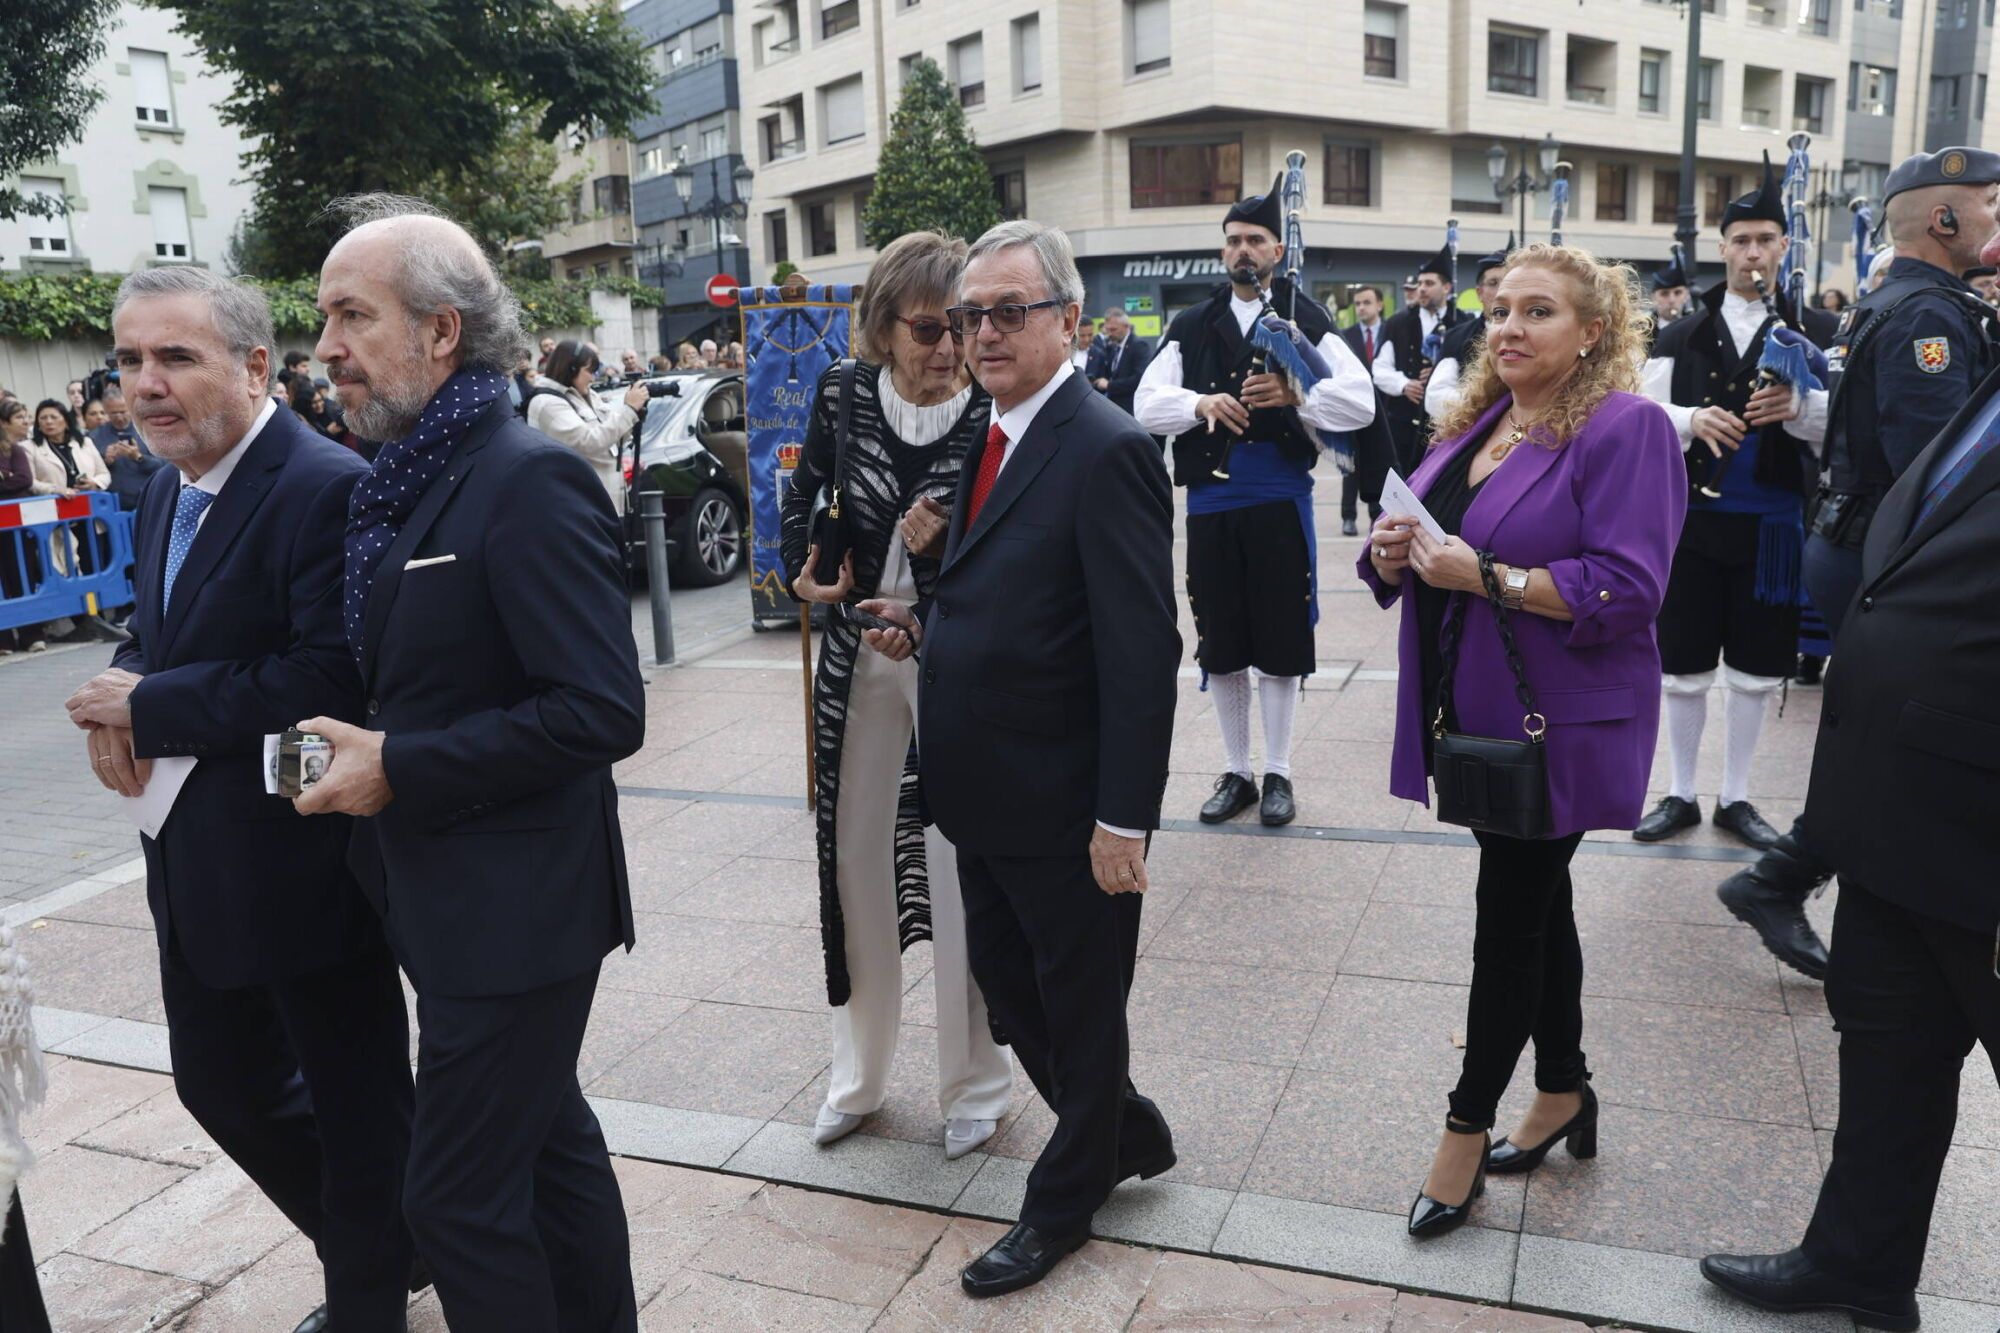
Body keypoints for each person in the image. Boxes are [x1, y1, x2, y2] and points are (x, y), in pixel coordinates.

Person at [300, 193, 642, 1331]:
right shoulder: (402, 477)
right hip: (445, 899)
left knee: (452, 1201)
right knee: (548, 1151)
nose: (327, 348)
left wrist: (402, 763)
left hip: (518, 910)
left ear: (441, 331)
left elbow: (600, 709)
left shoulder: (524, 475)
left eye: (352, 315)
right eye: (324, 318)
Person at [62, 265, 416, 1333]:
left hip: (307, 852)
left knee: (355, 1106)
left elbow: (327, 678)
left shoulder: (325, 484)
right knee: (219, 1084)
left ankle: (369, 1297)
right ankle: (396, 1244)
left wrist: (149, 706)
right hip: (192, 853)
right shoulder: (165, 486)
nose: (145, 383)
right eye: (130, 359)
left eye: (176, 356)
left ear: (255, 365)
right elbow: (158, 634)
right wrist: (125, 689)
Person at [856, 220, 1180, 1297]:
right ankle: (1122, 1128)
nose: (981, 334)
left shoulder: (1106, 447)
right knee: (1010, 988)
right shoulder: (987, 434)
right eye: (969, 316)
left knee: (1079, 1009)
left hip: (1067, 802)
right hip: (980, 791)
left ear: (1069, 321)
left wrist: (1123, 818)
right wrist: (923, 625)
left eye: (1008, 311)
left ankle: (1061, 1202)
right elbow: (1004, 593)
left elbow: (1142, 650)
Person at [1700, 239, 2000, 1330]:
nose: (1990, 248)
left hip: (1982, 826)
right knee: (1887, 1055)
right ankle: (1859, 1265)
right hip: (1897, 807)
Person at [1361, 243, 1686, 1239]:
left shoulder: (1624, 427)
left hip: (1560, 721)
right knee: (1541, 900)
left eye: (1537, 311)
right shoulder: (1483, 419)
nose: (1507, 326)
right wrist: (1392, 551)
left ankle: (1462, 1132)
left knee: (1506, 917)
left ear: (1593, 332)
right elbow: (1425, 540)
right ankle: (1562, 1088)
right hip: (1475, 712)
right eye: (1500, 308)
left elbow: (1629, 586)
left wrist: (1485, 576)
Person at [1715, 147, 2000, 979]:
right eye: (1989, 203)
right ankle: (1791, 881)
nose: (1997, 219)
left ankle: (1784, 877)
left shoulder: (1905, 301)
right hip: (1891, 561)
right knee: (1900, 741)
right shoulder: (1928, 317)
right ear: (1942, 219)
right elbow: (1938, 474)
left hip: (1863, 547)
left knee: (1885, 737)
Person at [778, 231, 1014, 1161]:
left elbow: (1012, 555)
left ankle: (976, 1084)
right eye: (927, 329)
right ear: (882, 327)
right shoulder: (842, 392)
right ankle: (858, 1077)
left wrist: (934, 558)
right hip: (855, 659)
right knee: (852, 863)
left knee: (961, 866)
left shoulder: (992, 408)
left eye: (961, 324)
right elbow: (801, 496)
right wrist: (805, 574)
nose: (950, 347)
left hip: (954, 662)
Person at [1135, 175, 1377, 828]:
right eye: (1234, 240)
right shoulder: (1192, 323)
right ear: (1224, 252)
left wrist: (1301, 394)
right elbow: (1145, 404)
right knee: (1222, 643)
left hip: (1279, 501)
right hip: (1211, 506)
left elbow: (1360, 401)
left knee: (1279, 637)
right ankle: (1236, 770)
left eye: (1255, 240)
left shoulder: (1304, 316)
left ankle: (1278, 771)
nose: (1243, 250)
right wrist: (1199, 403)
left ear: (1277, 251)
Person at [1636, 158, 1838, 849]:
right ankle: (1680, 792)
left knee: (1754, 672)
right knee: (1683, 670)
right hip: (1689, 525)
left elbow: (1839, 432)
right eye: (1742, 241)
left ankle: (1737, 797)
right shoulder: (1677, 334)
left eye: (1765, 241)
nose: (1753, 253)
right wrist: (1691, 419)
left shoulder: (1812, 334)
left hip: (1771, 528)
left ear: (1784, 248)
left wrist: (1801, 408)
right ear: (1722, 248)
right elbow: (1640, 417)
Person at [1375, 248, 1469, 474]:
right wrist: (1404, 384)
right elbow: (1380, 368)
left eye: (1429, 283)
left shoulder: (1464, 323)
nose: (1422, 289)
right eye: (1420, 284)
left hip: (1448, 423)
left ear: (1446, 287)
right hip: (1403, 424)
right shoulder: (1398, 323)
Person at [525, 339, 649, 501]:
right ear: (571, 368)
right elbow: (589, 442)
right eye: (590, 371)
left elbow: (613, 439)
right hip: (578, 503)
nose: (593, 378)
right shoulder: (548, 403)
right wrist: (629, 410)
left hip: (605, 499)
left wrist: (633, 414)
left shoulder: (588, 395)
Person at [1425, 234, 1513, 421]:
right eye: (1493, 283)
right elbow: (1435, 398)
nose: (1501, 290)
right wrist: (1485, 403)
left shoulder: (1535, 333)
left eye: (1508, 282)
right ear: (1479, 293)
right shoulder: (1457, 337)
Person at [1339, 285, 1394, 536]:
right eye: (1358, 303)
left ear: (1379, 305)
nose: (1361, 307)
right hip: (1354, 410)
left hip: (1386, 410)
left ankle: (1377, 515)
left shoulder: (1391, 332)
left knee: (1380, 463)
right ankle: (1348, 516)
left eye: (1367, 302)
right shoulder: (1345, 336)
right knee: (1350, 466)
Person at [90, 388, 163, 512]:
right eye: (113, 413)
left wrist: (138, 457)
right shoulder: (95, 437)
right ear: (106, 411)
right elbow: (92, 472)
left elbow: (163, 466)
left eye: (123, 412)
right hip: (112, 506)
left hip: (148, 501)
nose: (119, 417)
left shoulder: (149, 430)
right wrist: (106, 461)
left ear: (130, 407)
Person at [25, 399, 110, 495]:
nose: (48, 422)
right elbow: (30, 482)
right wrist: (56, 490)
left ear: (66, 421)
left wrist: (95, 483)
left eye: (54, 417)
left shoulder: (85, 442)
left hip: (88, 498)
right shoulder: (29, 448)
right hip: (54, 500)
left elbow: (104, 474)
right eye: (43, 418)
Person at [1087, 308, 1149, 414]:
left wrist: (1110, 385)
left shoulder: (1139, 345)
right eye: (1107, 330)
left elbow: (1139, 378)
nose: (1109, 334)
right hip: (1116, 407)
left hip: (1132, 408)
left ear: (1126, 326)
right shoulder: (1113, 346)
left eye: (1113, 330)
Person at [1647, 254, 1693, 351]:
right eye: (1664, 294)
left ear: (1687, 295)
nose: (1672, 300)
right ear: (1653, 298)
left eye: (1678, 293)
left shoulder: (1697, 328)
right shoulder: (1643, 332)